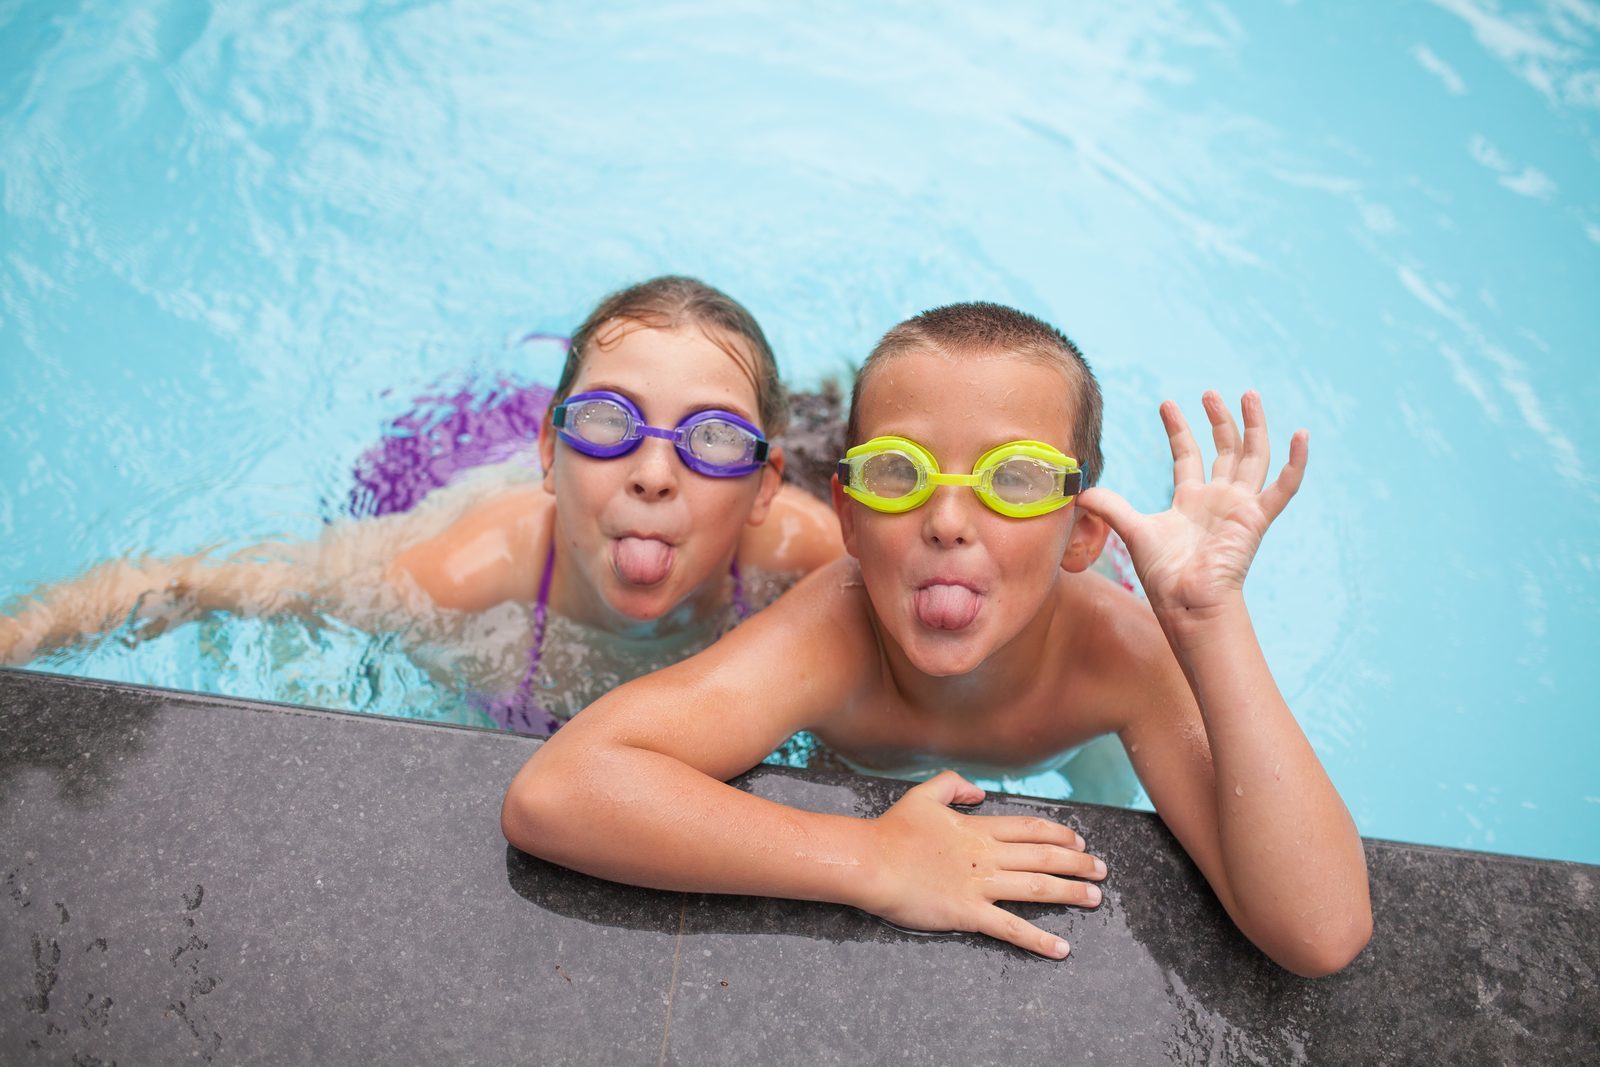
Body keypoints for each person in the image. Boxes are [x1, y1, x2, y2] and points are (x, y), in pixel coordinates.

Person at [501, 301, 1372, 976]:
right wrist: (868, 858)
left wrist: (1209, 623)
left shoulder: (1121, 652)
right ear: (845, 519)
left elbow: (1321, 931)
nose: (949, 520)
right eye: (898, 473)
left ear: (1082, 534)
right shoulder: (834, 625)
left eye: (1014, 480)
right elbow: (560, 791)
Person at [0, 277, 845, 730]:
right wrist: (22, 634)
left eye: (716, 439)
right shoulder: (465, 568)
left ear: (764, 489)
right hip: (448, 470)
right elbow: (210, 582)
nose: (655, 471)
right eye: (605, 420)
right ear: (551, 455)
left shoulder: (801, 554)